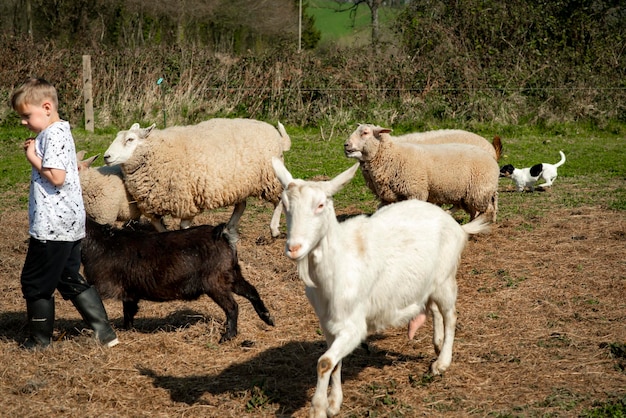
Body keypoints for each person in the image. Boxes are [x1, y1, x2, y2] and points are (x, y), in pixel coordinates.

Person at [10, 78, 118, 349]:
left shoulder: (53, 134)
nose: (23, 122)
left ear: (46, 107)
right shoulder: (58, 131)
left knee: (35, 281)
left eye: (26, 115)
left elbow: (57, 177)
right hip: (68, 224)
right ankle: (104, 333)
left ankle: (40, 341)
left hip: (52, 225)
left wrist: (32, 157)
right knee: (67, 276)